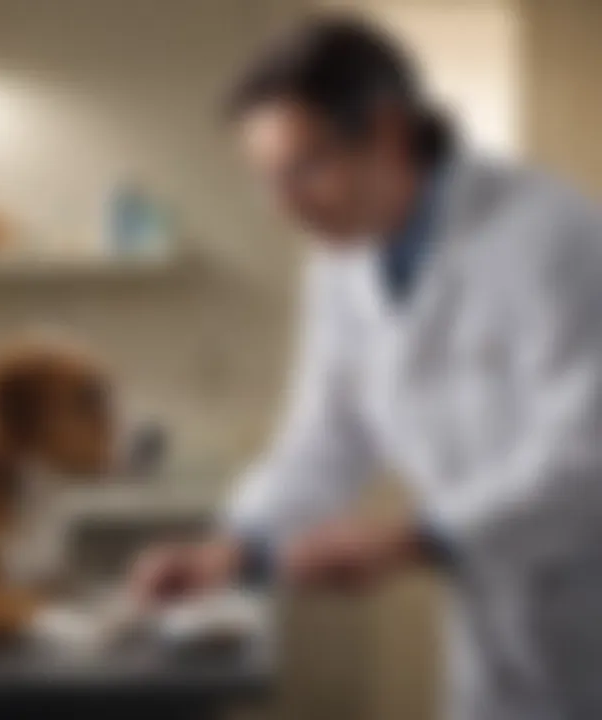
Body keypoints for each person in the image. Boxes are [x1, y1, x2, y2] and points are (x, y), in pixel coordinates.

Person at [130, 15, 602, 720]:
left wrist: (419, 538)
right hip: (496, 631)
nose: (283, 207)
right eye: (268, 181)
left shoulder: (554, 236)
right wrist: (233, 548)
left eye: (303, 170)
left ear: (388, 133)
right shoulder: (342, 261)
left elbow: (585, 454)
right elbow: (326, 437)